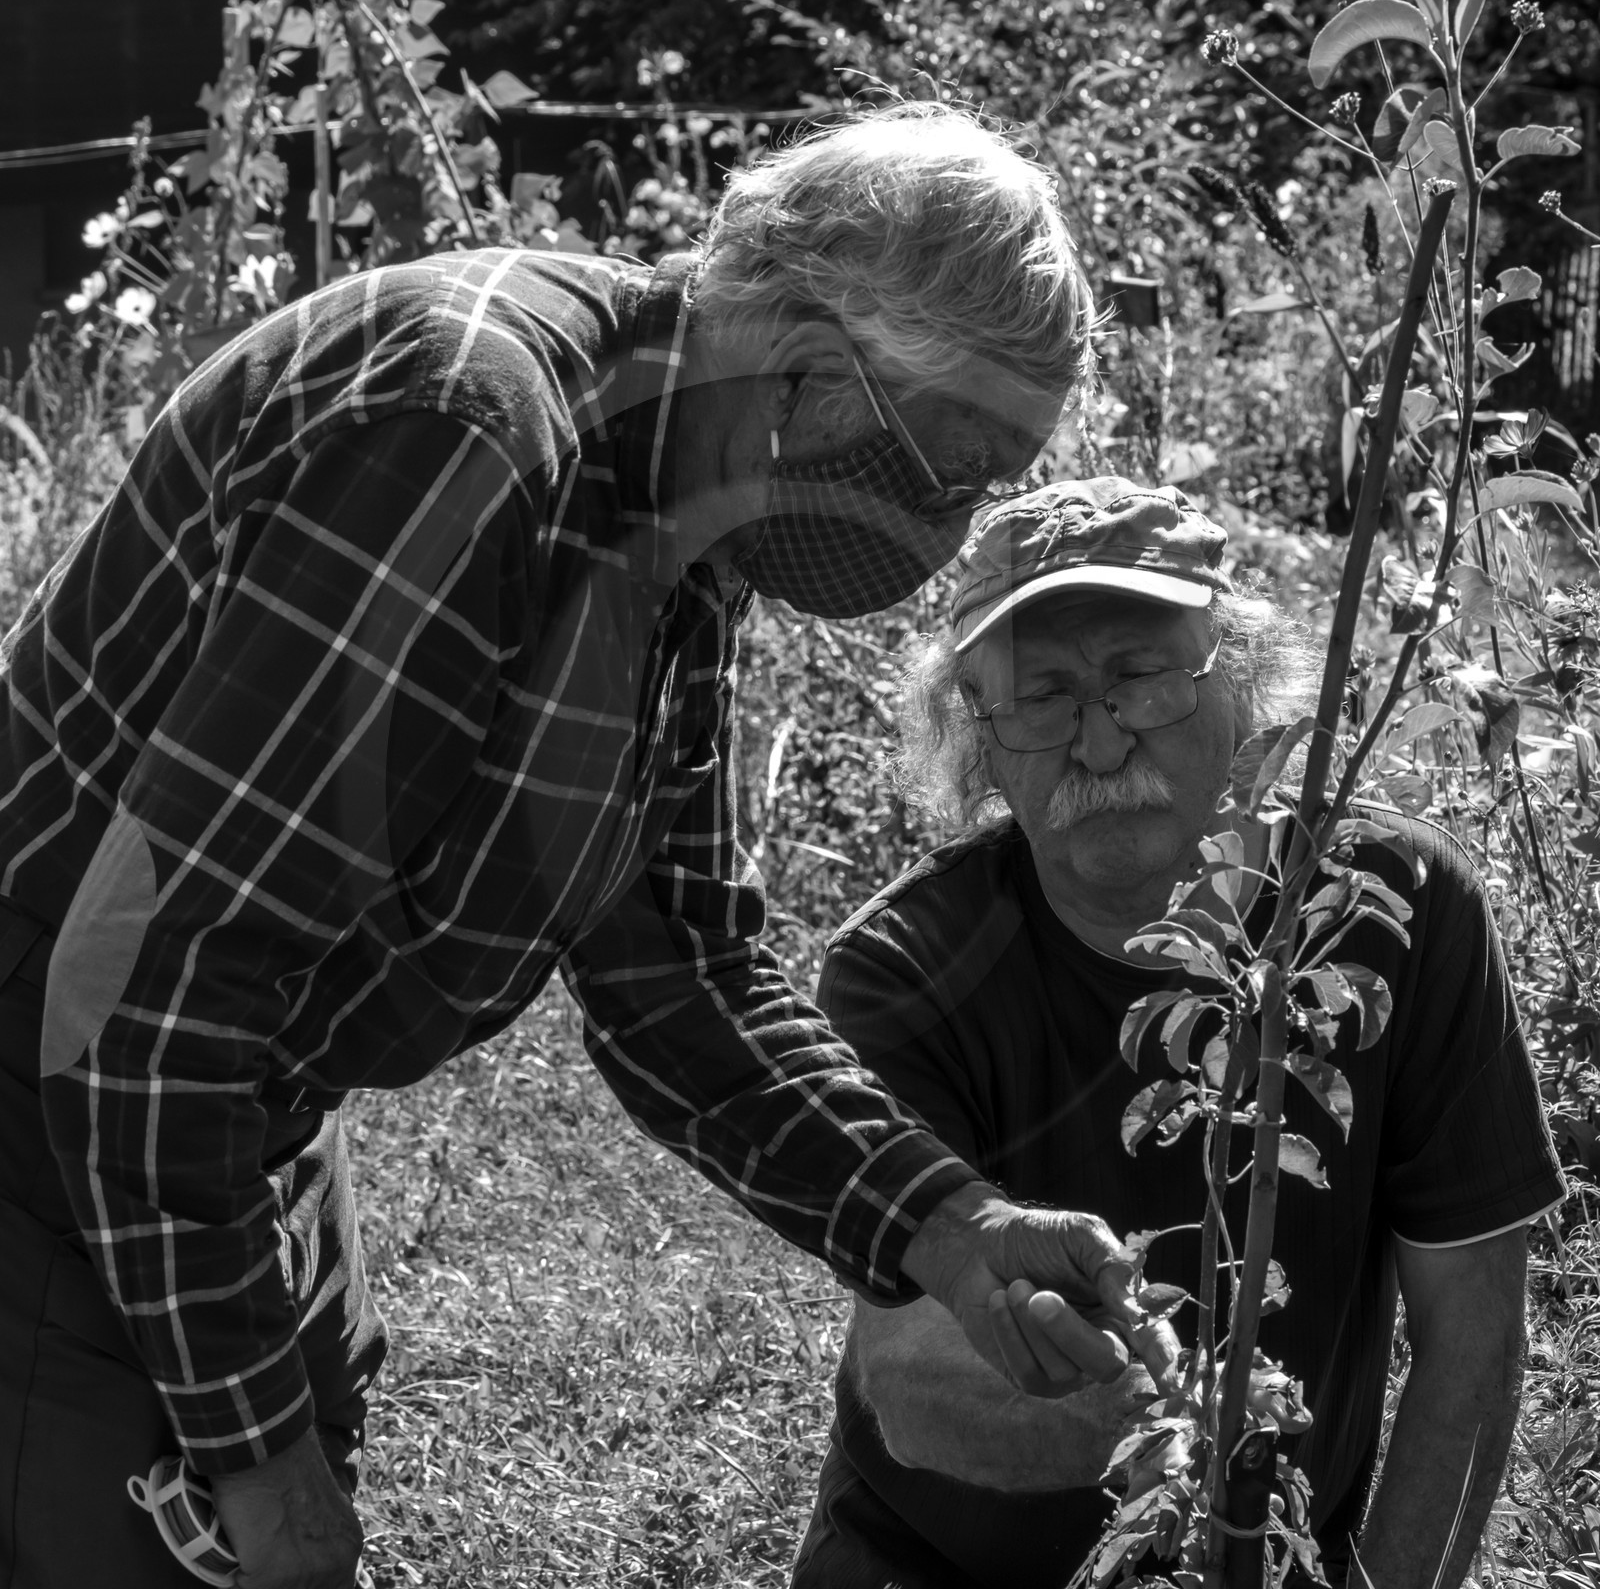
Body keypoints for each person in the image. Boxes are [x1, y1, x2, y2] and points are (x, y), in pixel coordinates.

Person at [0, 106, 1170, 1589]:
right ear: (808, 361)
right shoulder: (462, 440)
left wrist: (949, 1227)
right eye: (949, 477)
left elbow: (675, 968)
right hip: (58, 1106)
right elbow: (154, 999)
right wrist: (262, 1464)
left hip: (240, 1112)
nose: (948, 537)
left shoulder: (681, 499)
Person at [790, 476, 1566, 1589]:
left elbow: (1473, 1338)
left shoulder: (1394, 910)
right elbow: (911, 1382)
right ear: (980, 737)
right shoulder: (903, 969)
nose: (1098, 744)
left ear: (1239, 679)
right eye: (1040, 697)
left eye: (1139, 677)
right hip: (935, 1561)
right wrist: (1185, 1416)